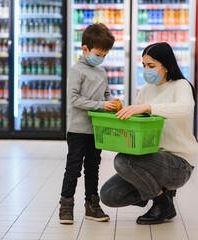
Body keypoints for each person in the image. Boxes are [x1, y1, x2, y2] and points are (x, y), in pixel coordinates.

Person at [100, 42, 198, 225]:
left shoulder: (181, 85)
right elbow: (142, 124)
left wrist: (148, 107)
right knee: (108, 195)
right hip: (151, 158)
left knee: (123, 160)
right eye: (144, 65)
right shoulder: (146, 90)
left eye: (151, 66)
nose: (146, 70)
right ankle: (161, 193)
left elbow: (185, 109)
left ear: (166, 67)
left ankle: (162, 203)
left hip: (179, 162)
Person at [59, 23, 118, 224]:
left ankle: (92, 206)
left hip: (96, 130)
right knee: (73, 168)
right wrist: (101, 105)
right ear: (85, 49)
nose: (101, 58)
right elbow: (75, 99)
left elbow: (106, 95)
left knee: (93, 168)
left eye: (104, 54)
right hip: (77, 130)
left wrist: (115, 104)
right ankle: (66, 206)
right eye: (98, 53)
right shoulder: (77, 71)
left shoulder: (101, 73)